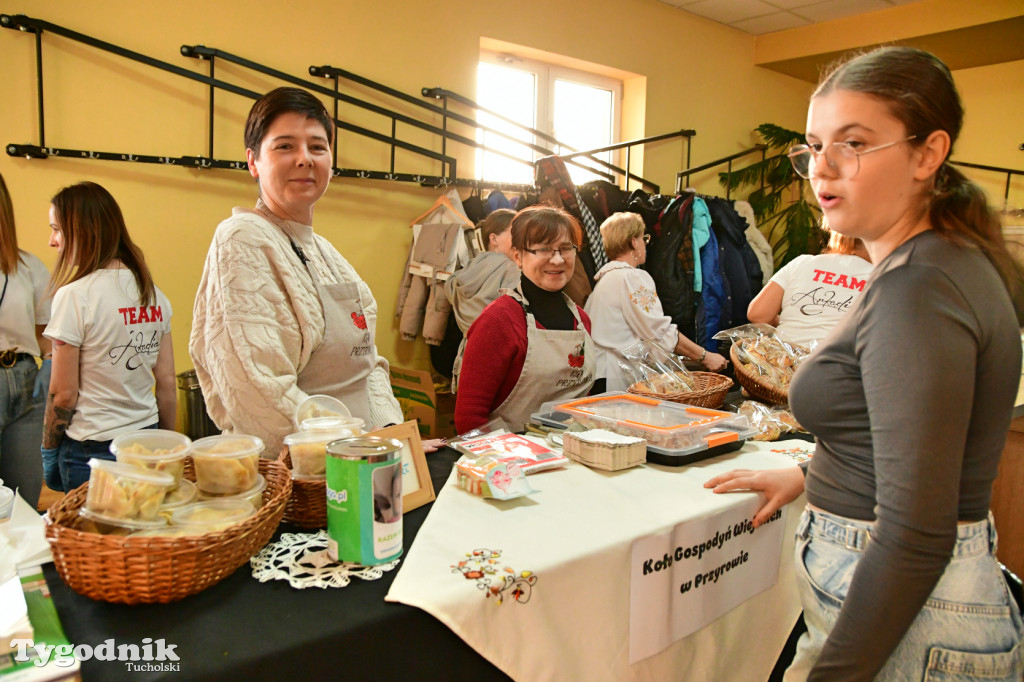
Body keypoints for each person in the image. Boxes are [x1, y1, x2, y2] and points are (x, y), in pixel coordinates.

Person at [705, 46, 1024, 681]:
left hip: (911, 614)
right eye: (814, 146)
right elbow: (906, 437)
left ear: (927, 153)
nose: (824, 168)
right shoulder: (928, 263)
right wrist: (810, 477)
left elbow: (916, 535)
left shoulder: (920, 286)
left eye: (853, 143)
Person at [190, 87, 403, 457]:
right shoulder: (242, 239)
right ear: (253, 161)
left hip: (366, 458)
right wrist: (350, 454)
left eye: (317, 147)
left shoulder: (327, 254)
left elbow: (368, 366)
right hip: (304, 476)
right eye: (285, 146)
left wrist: (390, 435)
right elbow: (257, 391)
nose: (304, 158)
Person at [42, 182, 176, 492]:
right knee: (141, 535)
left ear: (83, 230)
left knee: (94, 540)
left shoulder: (75, 296)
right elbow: (167, 384)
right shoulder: (154, 295)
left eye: (57, 230)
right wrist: (167, 446)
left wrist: (48, 450)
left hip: (92, 451)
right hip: (145, 440)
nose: (52, 241)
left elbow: (63, 394)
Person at [455, 205, 595, 434]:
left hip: (573, 455)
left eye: (565, 248)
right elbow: (469, 420)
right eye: (544, 249)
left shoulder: (582, 321)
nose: (558, 260)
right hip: (513, 462)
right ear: (518, 256)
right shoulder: (497, 322)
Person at [585, 212, 728, 392]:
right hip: (617, 377)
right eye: (643, 238)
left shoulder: (606, 280)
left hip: (600, 374)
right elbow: (659, 331)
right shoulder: (632, 277)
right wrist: (705, 356)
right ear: (633, 242)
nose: (645, 244)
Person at [0, 173, 51, 508]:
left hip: (24, 381)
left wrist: (50, 366)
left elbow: (48, 334)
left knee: (23, 499)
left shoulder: (27, 266)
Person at [746, 231, 872, 348]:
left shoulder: (802, 262)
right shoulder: (879, 277)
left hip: (781, 363)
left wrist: (792, 321)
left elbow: (757, 314)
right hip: (837, 366)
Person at [445, 208, 520, 390]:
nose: (522, 240)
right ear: (493, 239)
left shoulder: (463, 272)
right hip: (499, 362)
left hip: (467, 357)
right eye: (515, 233)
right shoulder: (513, 270)